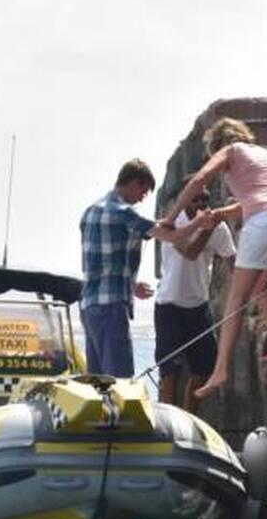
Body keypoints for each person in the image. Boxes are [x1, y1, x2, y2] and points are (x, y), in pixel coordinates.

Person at [162, 118, 267, 399]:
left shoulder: (230, 151)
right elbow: (260, 198)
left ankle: (221, 370)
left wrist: (170, 217)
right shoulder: (265, 154)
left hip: (264, 224)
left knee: (236, 300)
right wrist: (223, 214)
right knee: (259, 289)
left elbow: (200, 178)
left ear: (218, 144)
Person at [80, 159, 208, 378]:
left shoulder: (90, 211)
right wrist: (199, 222)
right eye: (143, 191)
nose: (142, 198)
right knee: (120, 382)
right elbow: (174, 236)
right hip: (111, 308)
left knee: (98, 382)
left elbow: (103, 261)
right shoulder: (125, 213)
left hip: (89, 306)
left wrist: (131, 285)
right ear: (133, 183)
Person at [154, 191, 236, 413]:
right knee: (169, 369)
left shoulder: (219, 228)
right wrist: (205, 228)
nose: (200, 204)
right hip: (169, 305)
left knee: (204, 368)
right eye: (195, 199)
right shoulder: (171, 225)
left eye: (204, 200)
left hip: (199, 306)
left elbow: (232, 262)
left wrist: (245, 292)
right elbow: (190, 252)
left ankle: (189, 416)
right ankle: (167, 417)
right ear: (184, 200)